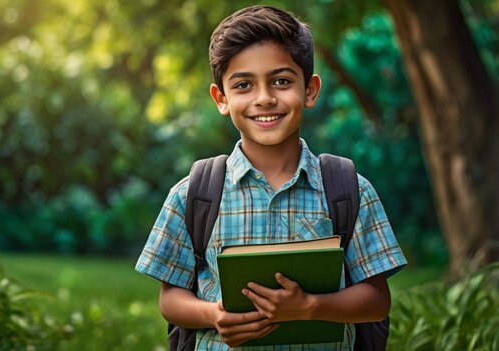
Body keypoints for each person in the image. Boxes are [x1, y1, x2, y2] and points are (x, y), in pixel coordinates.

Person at [135, 5, 407, 350]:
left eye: (281, 81)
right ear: (221, 98)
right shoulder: (193, 194)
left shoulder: (350, 190)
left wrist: (310, 308)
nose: (264, 99)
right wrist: (213, 314)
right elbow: (170, 298)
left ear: (309, 90)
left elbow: (377, 300)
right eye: (244, 84)